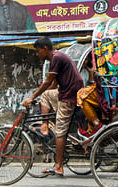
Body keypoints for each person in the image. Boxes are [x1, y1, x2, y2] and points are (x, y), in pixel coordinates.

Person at [22, 37, 83, 177]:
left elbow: (47, 81)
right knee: (46, 96)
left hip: (68, 97)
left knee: (60, 131)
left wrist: (31, 97)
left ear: (44, 49)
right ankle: (45, 124)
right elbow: (53, 83)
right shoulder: (57, 58)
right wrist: (43, 97)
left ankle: (59, 166)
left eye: (38, 51)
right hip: (66, 93)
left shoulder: (56, 58)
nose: (37, 54)